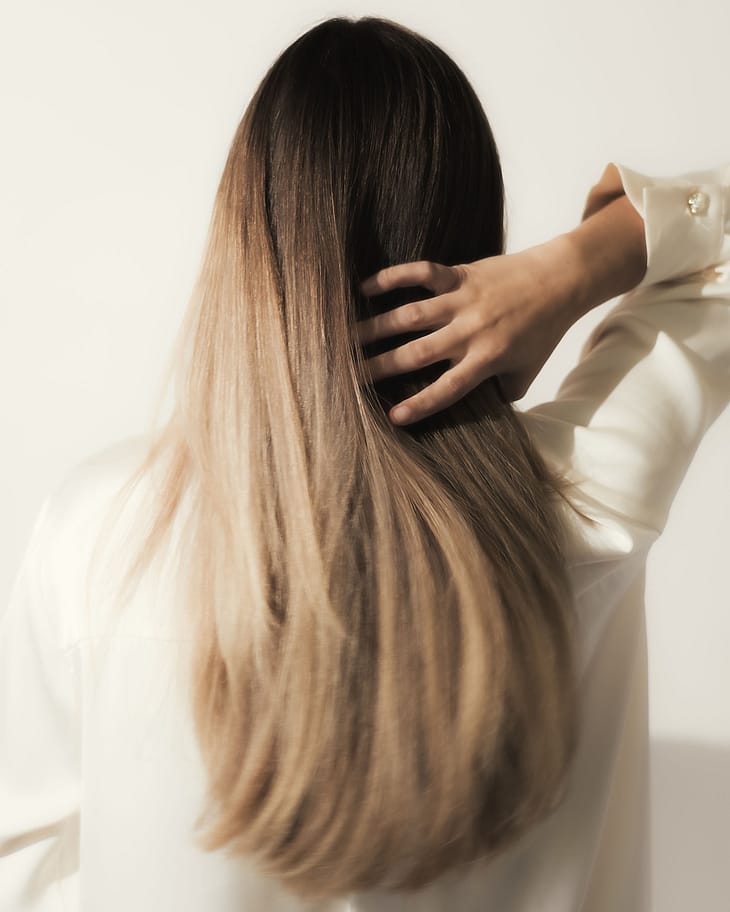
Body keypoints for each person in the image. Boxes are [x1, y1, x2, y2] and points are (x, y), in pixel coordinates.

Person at [1, 14, 728, 912]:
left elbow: (22, 861)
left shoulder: (103, 531)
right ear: (477, 238)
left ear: (250, 240)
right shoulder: (584, 500)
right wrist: (566, 271)